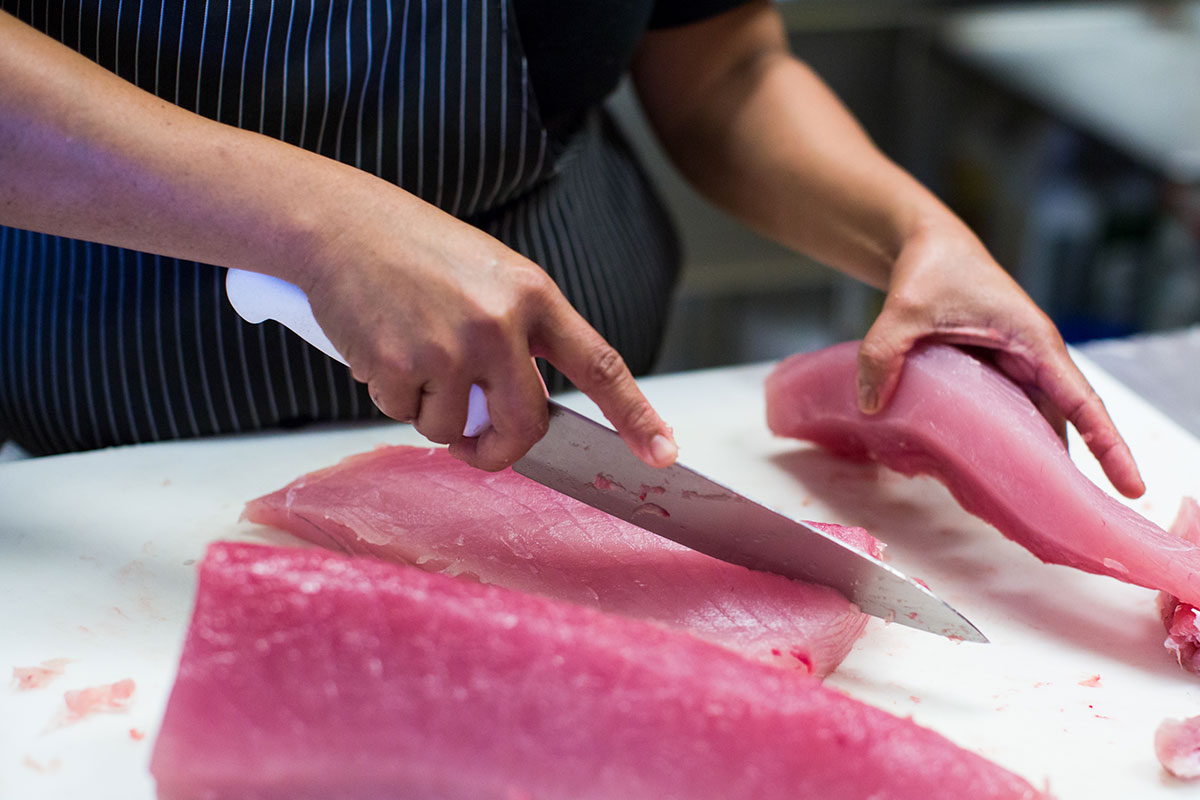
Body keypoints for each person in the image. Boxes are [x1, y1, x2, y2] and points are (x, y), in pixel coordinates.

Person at [0, 1, 1144, 499]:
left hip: (565, 439)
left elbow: (726, 69)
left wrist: (914, 231)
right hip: (109, 407)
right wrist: (313, 220)